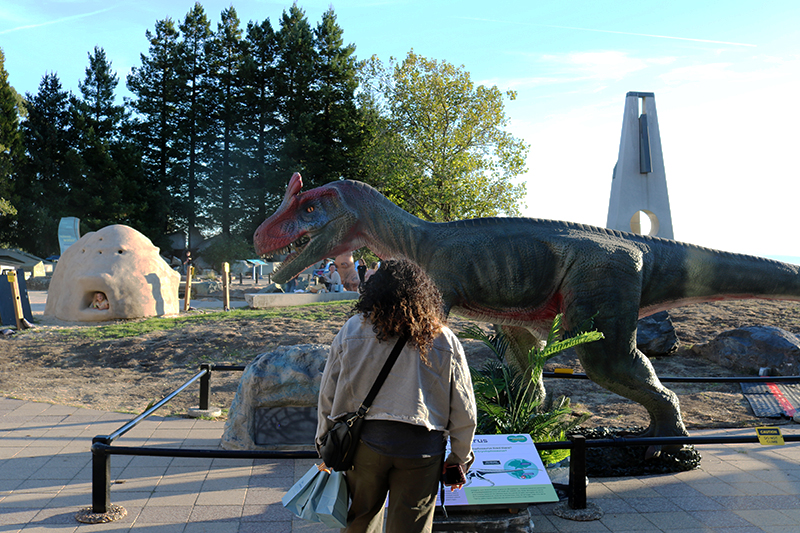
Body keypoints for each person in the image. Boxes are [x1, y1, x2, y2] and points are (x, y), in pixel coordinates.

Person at [316, 259, 477, 533]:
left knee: (360, 521)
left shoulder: (353, 329)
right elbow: (464, 406)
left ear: (374, 290)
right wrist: (459, 457)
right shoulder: (443, 338)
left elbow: (329, 391)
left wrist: (324, 441)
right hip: (421, 448)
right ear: (424, 293)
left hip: (363, 444)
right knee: (411, 527)